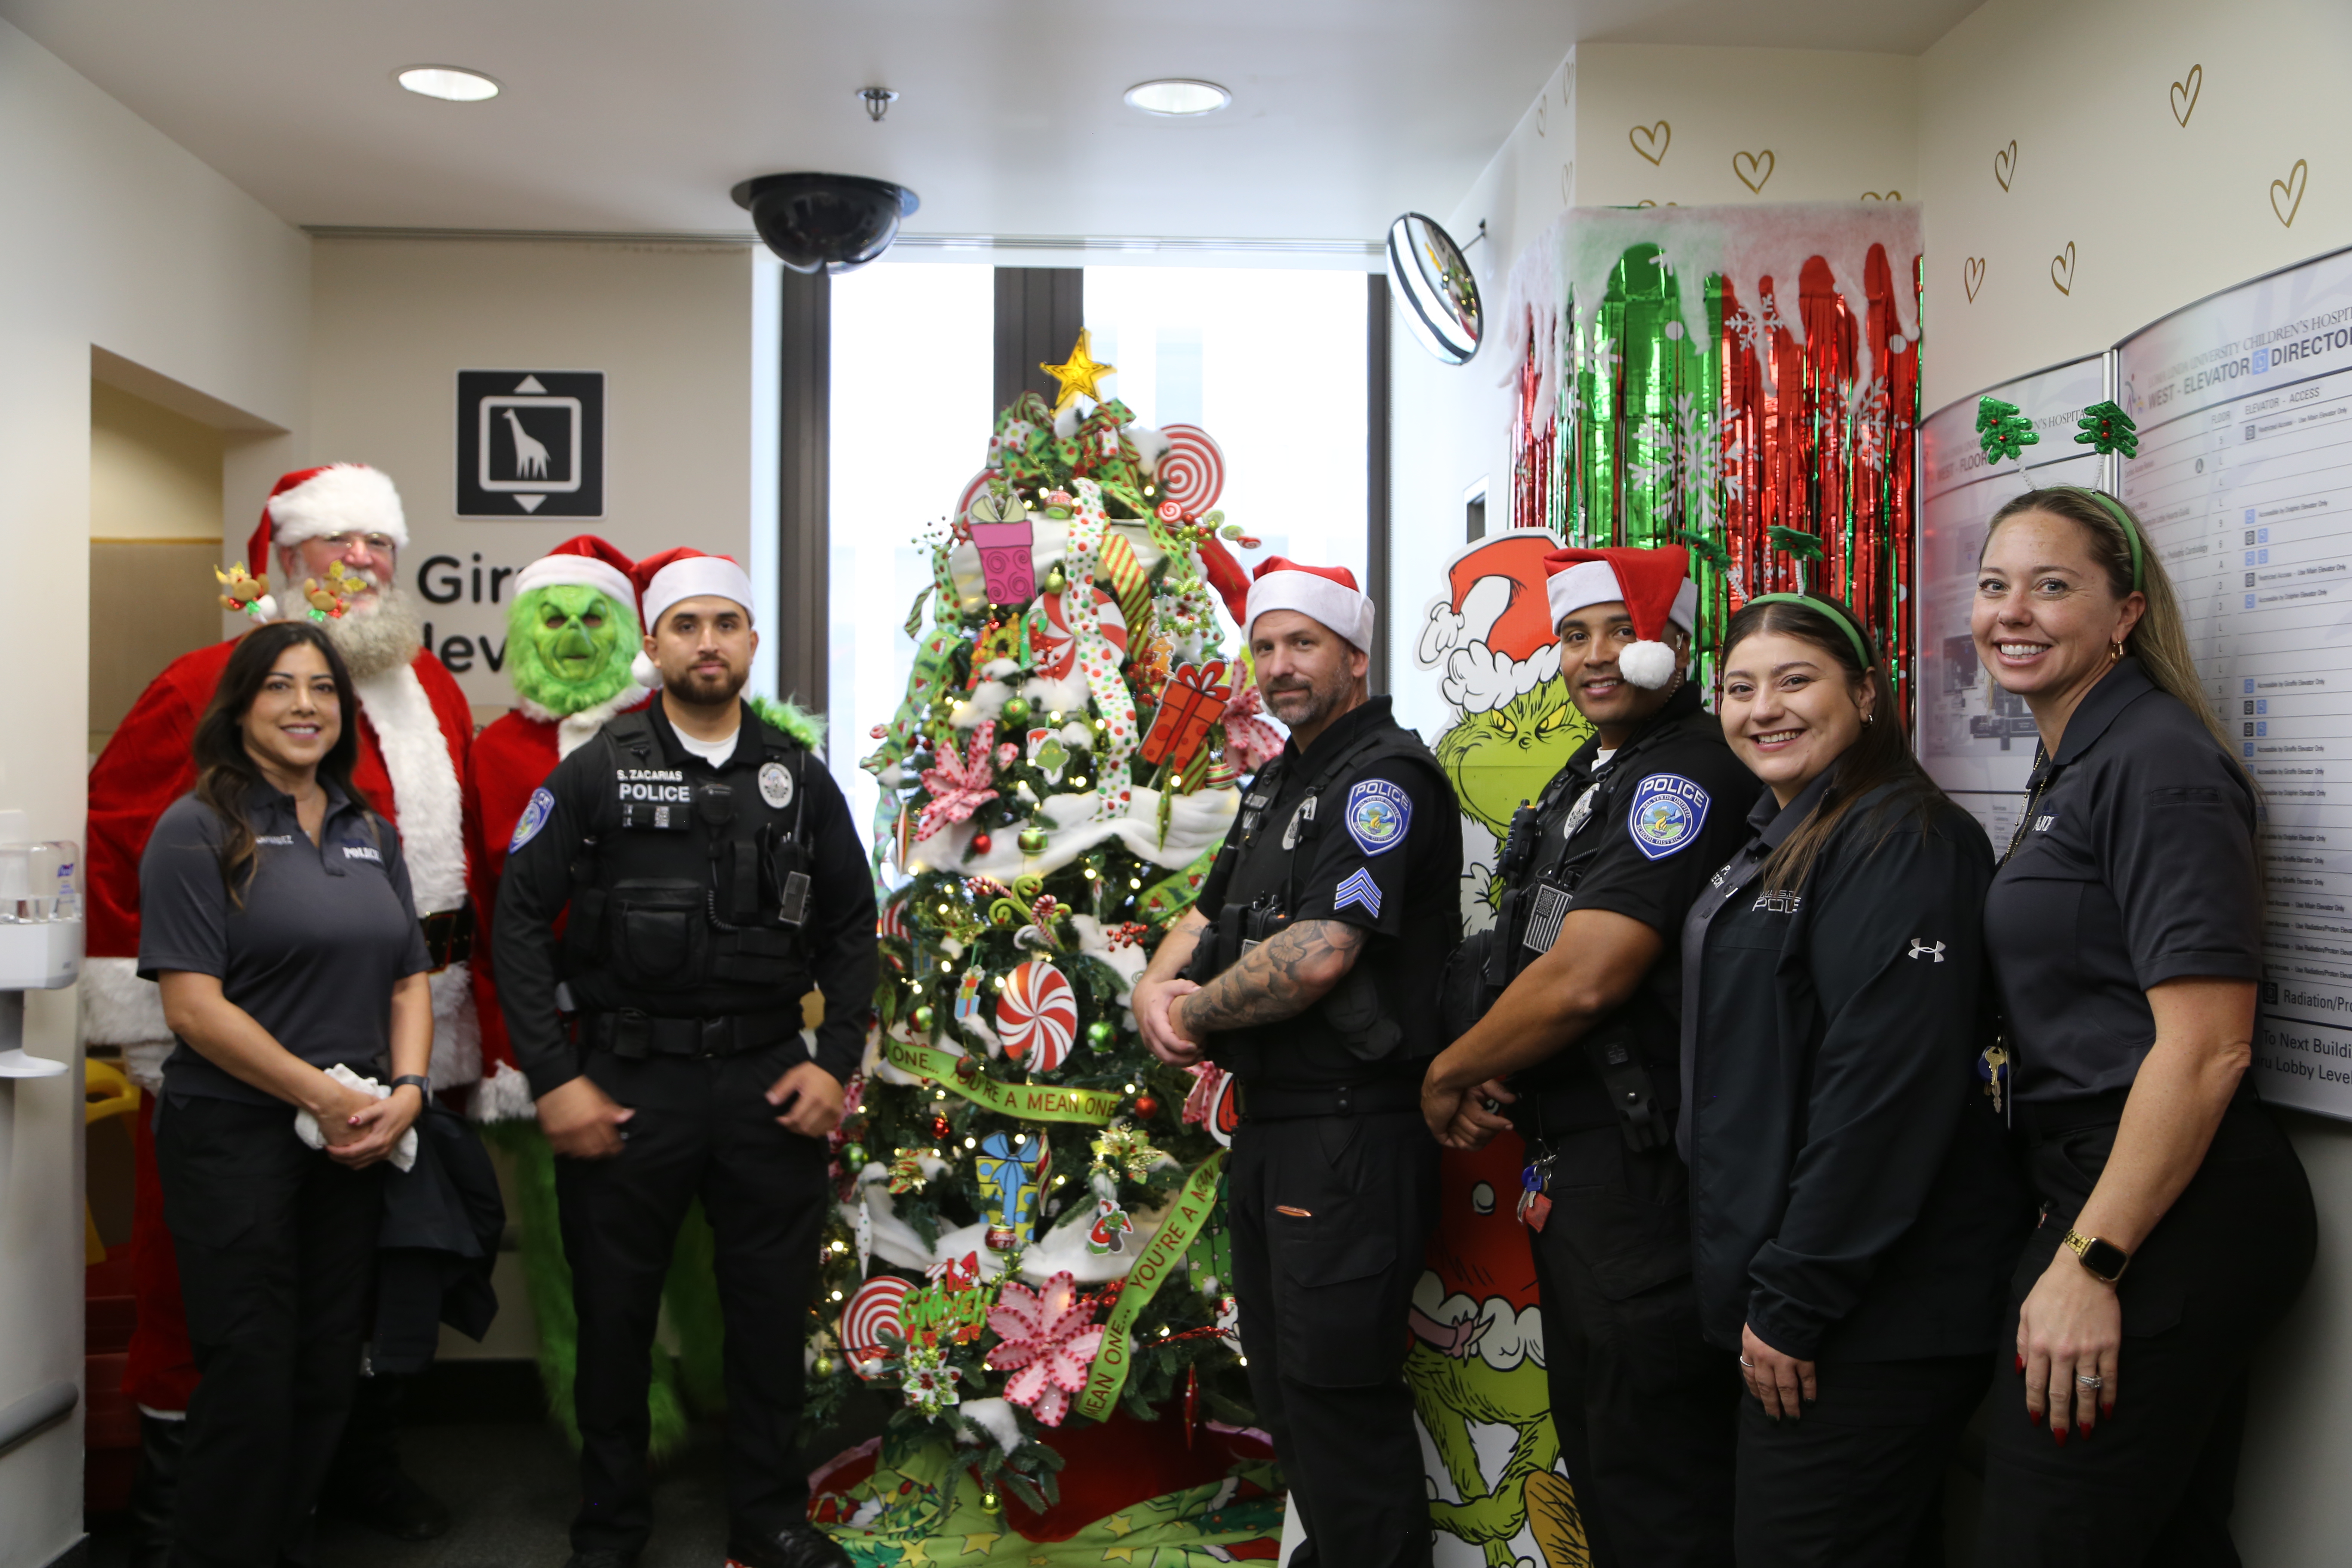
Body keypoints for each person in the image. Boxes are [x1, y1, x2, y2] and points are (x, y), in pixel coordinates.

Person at [87, 463, 472, 1553]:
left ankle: (346, 1477)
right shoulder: (193, 691)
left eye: (379, 543)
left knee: (361, 1299)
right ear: (283, 559)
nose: (361, 562)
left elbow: (443, 894)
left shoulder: (431, 692)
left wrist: (416, 1075)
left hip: (392, 1067)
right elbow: (117, 847)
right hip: (234, 1083)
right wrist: (154, 1033)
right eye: (336, 542)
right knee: (227, 1323)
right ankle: (187, 1518)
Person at [493, 547, 875, 1568]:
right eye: (687, 626)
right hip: (627, 1083)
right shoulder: (597, 769)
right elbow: (519, 921)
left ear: (752, 641)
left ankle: (770, 1518)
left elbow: (852, 926)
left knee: (766, 1318)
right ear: (655, 645)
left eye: (726, 624)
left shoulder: (799, 776)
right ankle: (610, 1528)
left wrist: (834, 1062)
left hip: (767, 1083)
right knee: (615, 1321)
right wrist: (554, 1079)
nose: (709, 643)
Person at [1969, 487, 2316, 1565]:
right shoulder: (2078, 755)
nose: (2012, 611)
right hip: (2107, 1180)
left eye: (2052, 585)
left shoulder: (2157, 760)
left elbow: (2209, 1048)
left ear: (2125, 613)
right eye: (1994, 585)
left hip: (2165, 1209)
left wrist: (2092, 1262)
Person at [1419, 544, 1755, 1568]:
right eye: (1575, 635)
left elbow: (1589, 976)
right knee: (1607, 1464)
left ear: (1677, 644)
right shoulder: (1596, 771)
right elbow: (1534, 947)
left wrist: (1448, 1072)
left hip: (1643, 1177)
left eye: (1622, 631)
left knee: (1656, 1487)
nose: (1596, 655)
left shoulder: (1684, 771)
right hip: (1577, 1168)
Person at [1132, 557, 1461, 1568]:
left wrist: (1196, 1014)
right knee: (1288, 1391)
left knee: (1336, 1401)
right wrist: (1153, 987)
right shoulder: (1283, 779)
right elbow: (1207, 909)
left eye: (1303, 644)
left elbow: (1321, 953)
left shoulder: (1382, 782)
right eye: (1265, 646)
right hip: (1281, 1131)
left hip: (1350, 1133)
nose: (1279, 664)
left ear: (1355, 656)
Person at [1681, 594, 2024, 1565]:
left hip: (1866, 1317)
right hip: (1802, 1296)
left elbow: (1884, 1096)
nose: (1763, 709)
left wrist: (1795, 1299)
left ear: (1866, 694)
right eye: (1740, 688)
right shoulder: (1785, 830)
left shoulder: (1904, 840)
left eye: (1795, 681)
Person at [138, 621, 435, 1568]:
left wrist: (410, 1091)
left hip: (351, 1141)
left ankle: (280, 1546)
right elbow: (192, 1007)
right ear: (240, 707)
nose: (305, 705)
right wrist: (320, 1096)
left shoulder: (369, 831)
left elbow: (408, 981)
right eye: (279, 686)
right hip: (236, 1140)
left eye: (323, 689)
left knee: (323, 1369)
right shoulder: (198, 828)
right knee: (251, 1374)